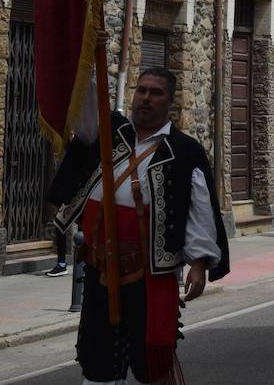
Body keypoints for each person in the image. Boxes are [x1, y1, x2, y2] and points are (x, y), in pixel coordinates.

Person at [49, 68, 230, 385]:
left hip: (150, 273)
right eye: (141, 90)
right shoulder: (109, 133)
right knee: (97, 357)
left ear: (170, 101)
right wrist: (86, 56)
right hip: (99, 267)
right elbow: (84, 106)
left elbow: (200, 210)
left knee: (152, 360)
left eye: (156, 93)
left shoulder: (184, 150)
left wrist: (199, 263)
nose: (146, 99)